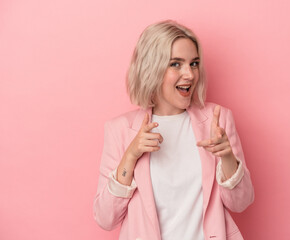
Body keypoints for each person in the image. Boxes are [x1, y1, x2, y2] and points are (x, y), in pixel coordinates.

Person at [93, 20, 254, 240]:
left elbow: (240, 203)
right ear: (152, 68)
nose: (189, 74)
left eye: (194, 63)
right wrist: (130, 157)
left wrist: (227, 157)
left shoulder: (217, 120)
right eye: (176, 64)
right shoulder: (121, 130)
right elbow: (105, 219)